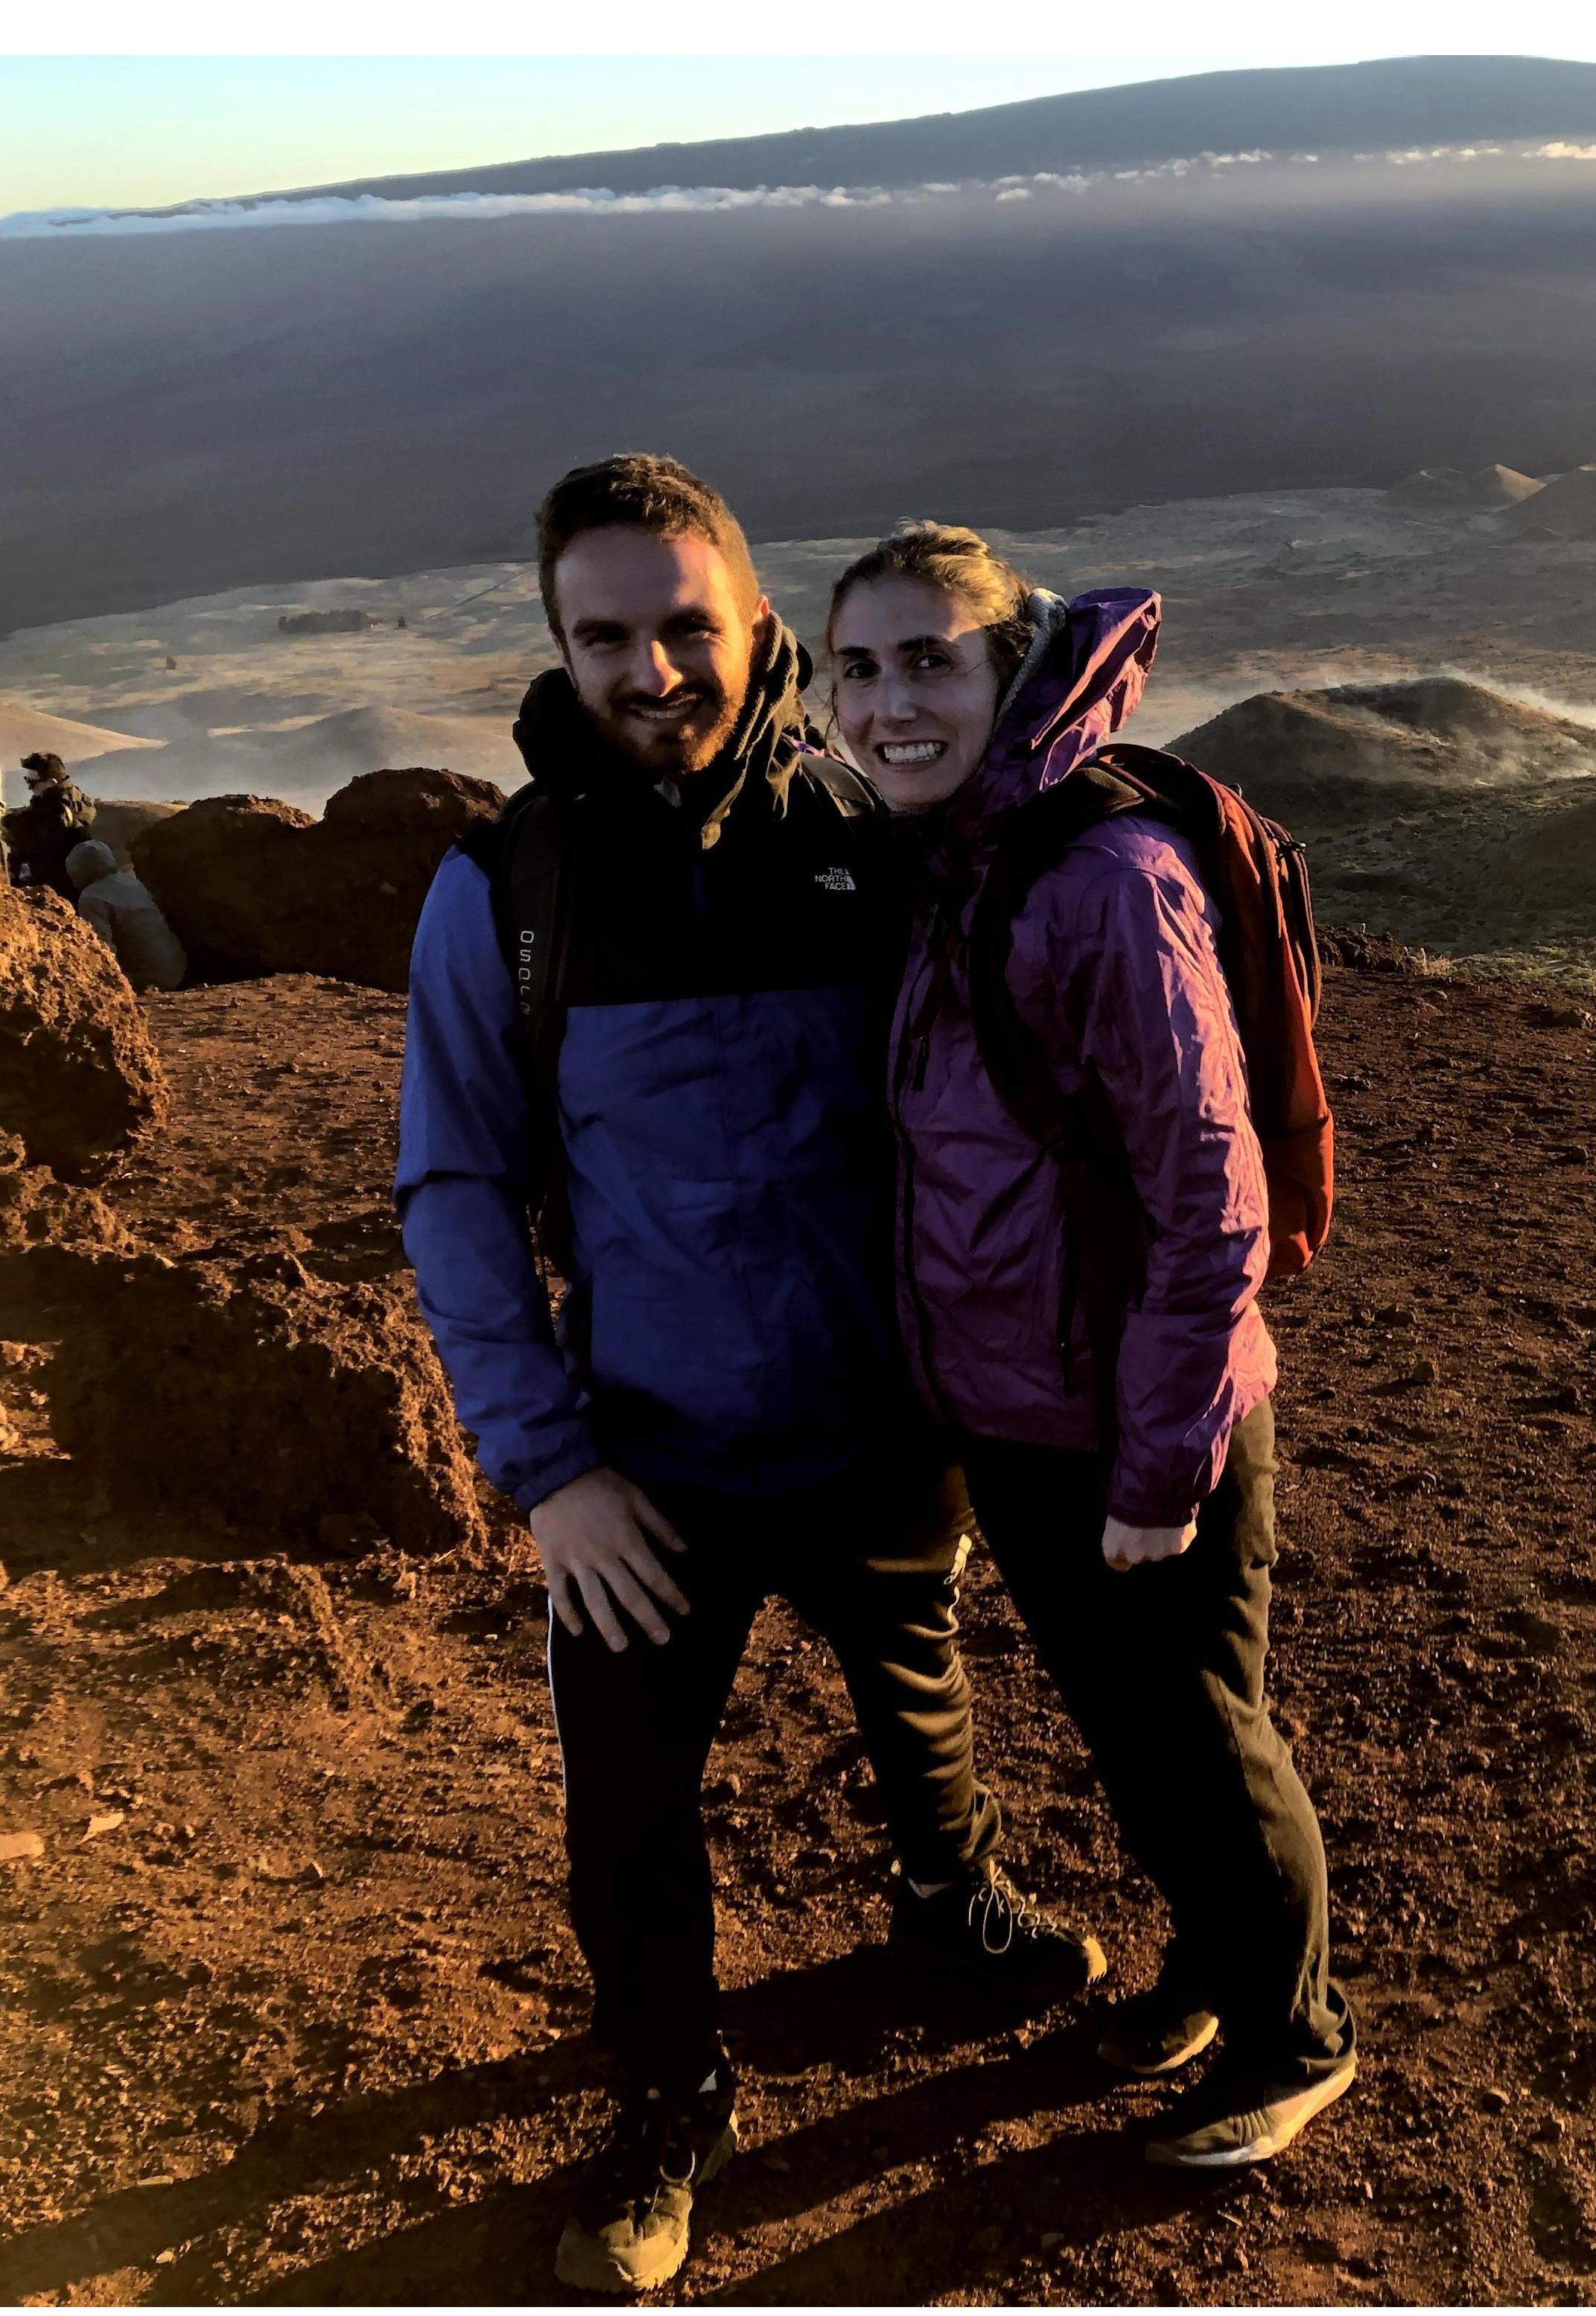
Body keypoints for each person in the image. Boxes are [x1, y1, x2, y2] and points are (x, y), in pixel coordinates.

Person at [395, 459, 1102, 2295]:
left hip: (879, 1417)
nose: (652, 667)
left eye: (684, 625)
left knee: (917, 1674)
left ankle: (947, 1903)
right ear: (558, 645)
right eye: (606, 633)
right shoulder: (506, 892)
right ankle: (669, 2090)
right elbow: (456, 1183)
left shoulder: (869, 835)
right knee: (627, 1800)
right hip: (646, 1454)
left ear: (754, 620)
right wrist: (547, 1466)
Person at [824, 522, 1357, 2171]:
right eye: (856, 666)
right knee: (1136, 1732)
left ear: (1008, 664)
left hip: (1136, 1416)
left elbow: (1215, 1203)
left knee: (1204, 1730)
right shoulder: (960, 853)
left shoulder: (1101, 878)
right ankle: (1209, 1970)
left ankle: (1296, 2034)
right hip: (1022, 1403)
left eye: (929, 660)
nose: (889, 700)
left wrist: (1156, 1466)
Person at [66, 840, 188, 990]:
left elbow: (102, 951)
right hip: (177, 968)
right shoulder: (132, 882)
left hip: (146, 978)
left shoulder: (92, 898)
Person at [4, 753, 98, 897]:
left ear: (52, 783)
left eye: (32, 782)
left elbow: (35, 842)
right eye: (26, 780)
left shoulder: (58, 813)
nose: (29, 788)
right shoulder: (74, 798)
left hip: (57, 885)